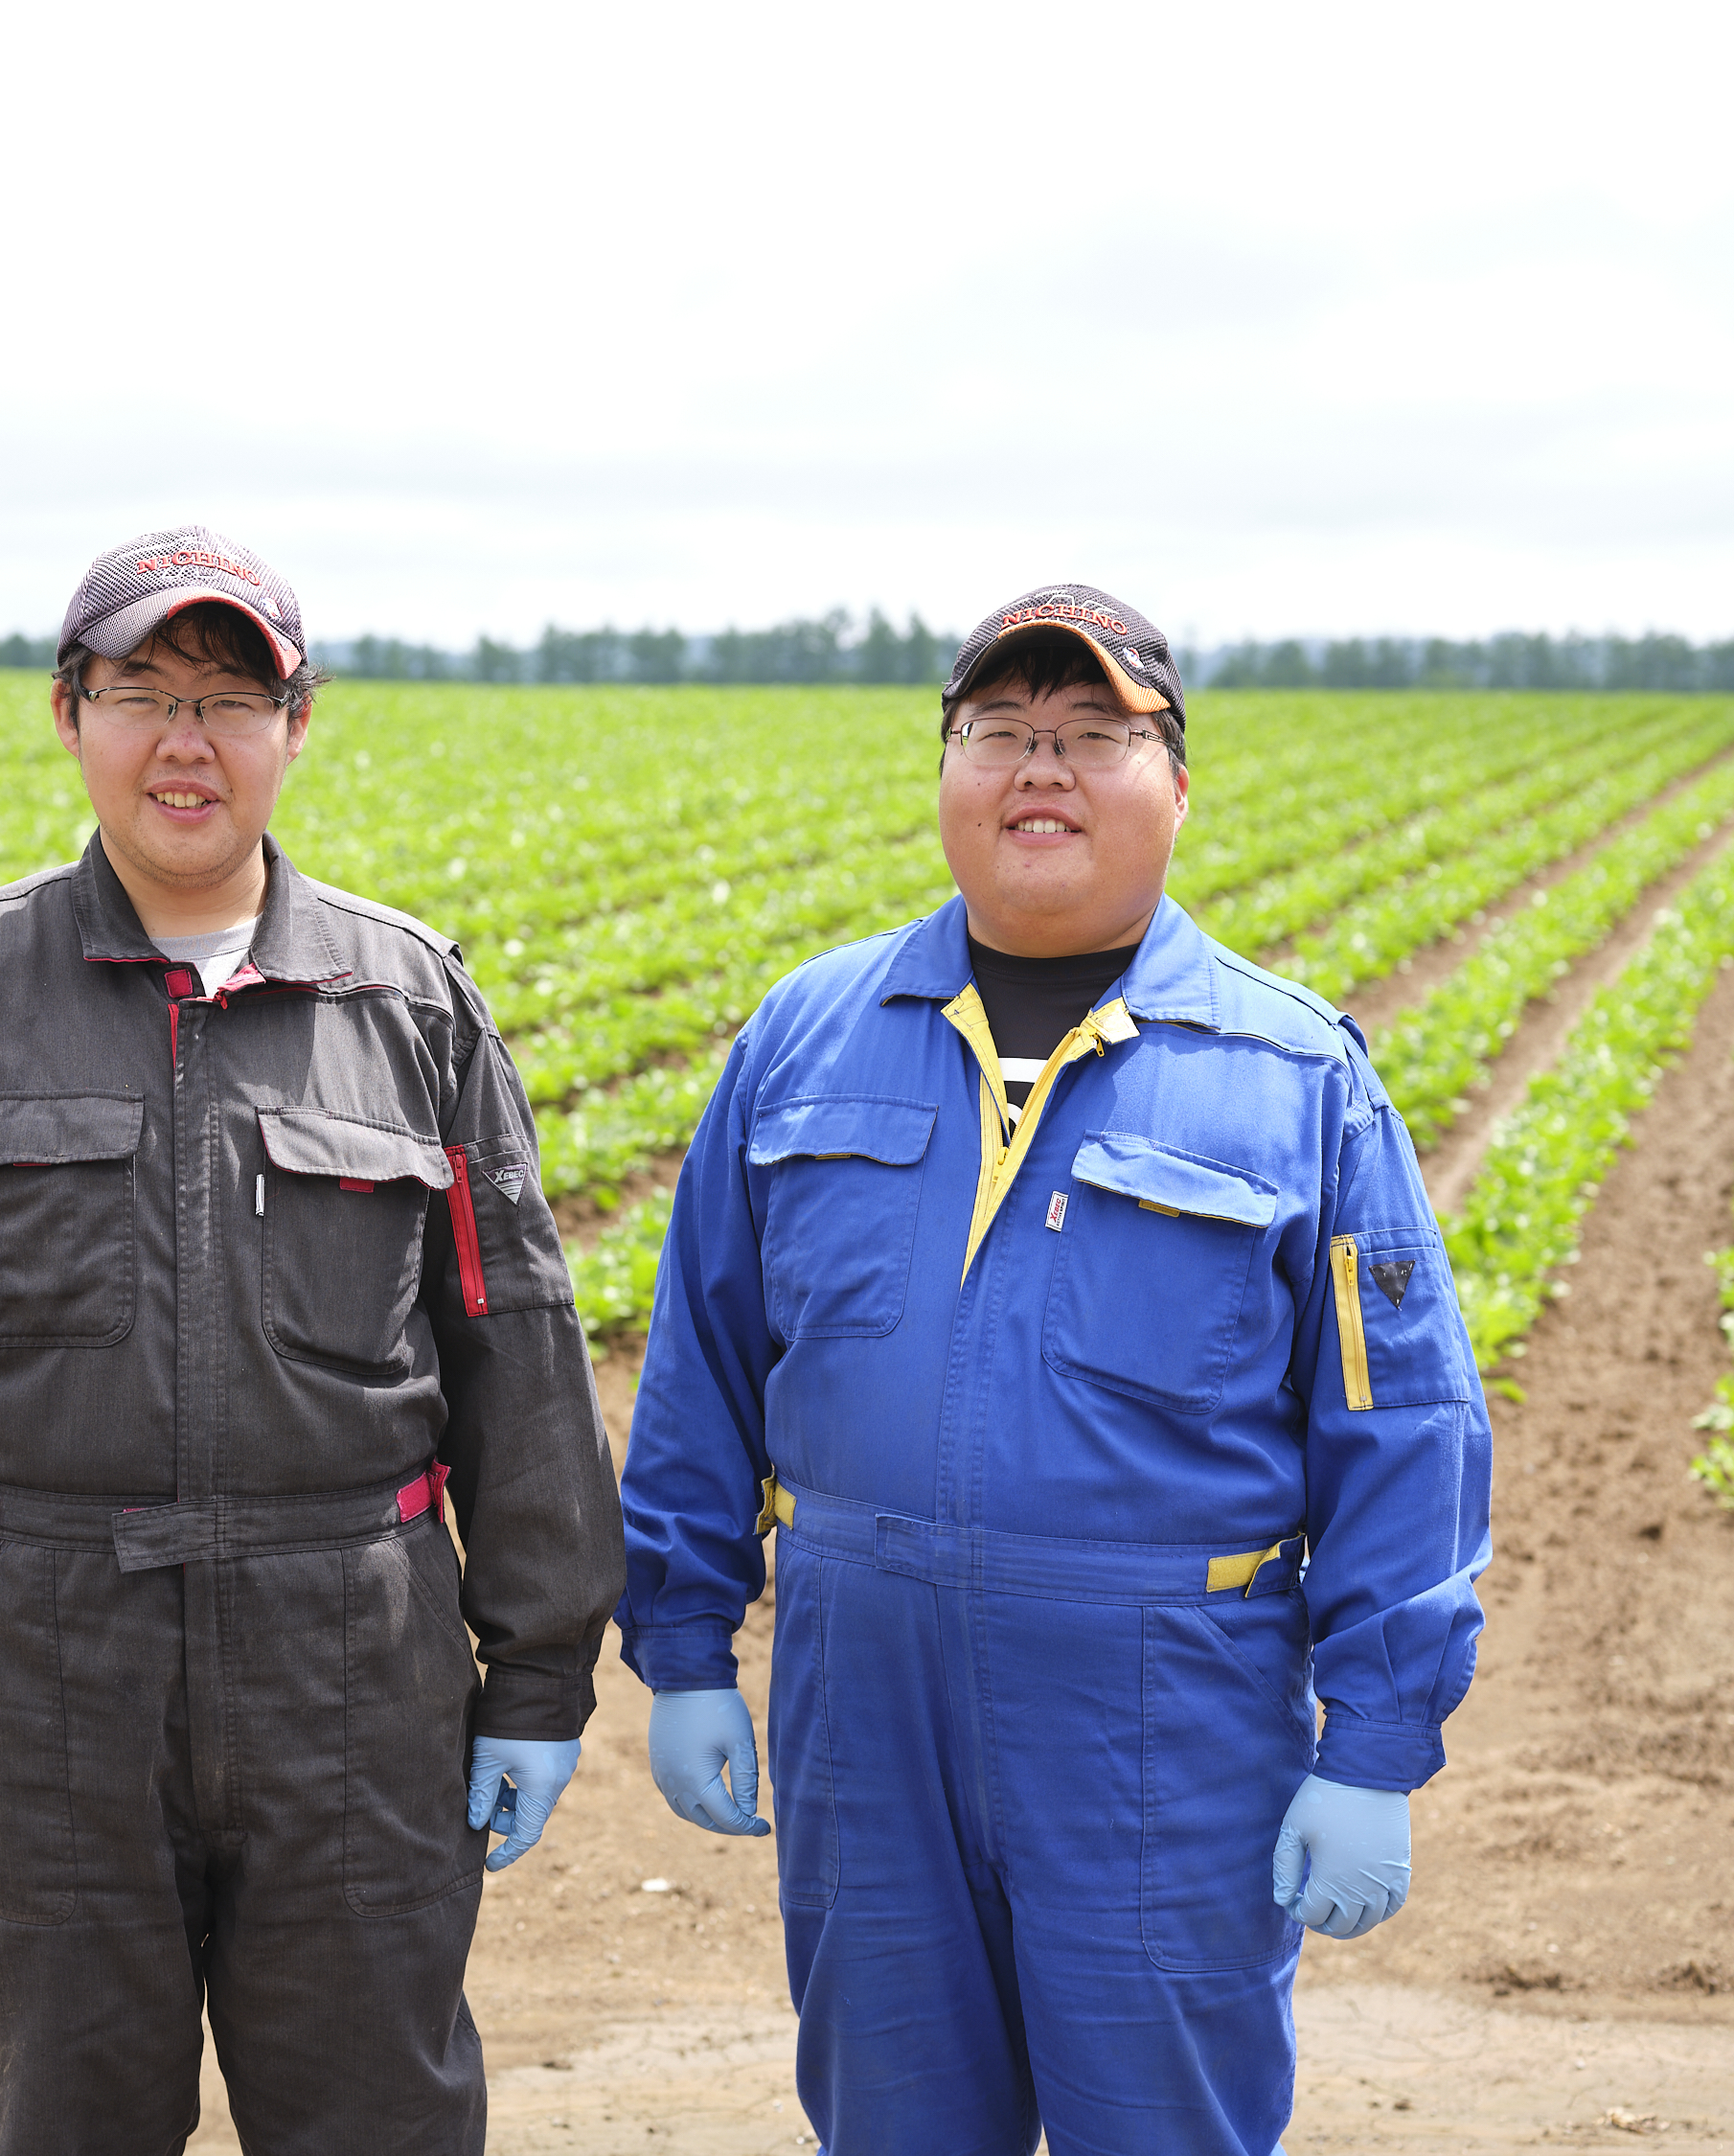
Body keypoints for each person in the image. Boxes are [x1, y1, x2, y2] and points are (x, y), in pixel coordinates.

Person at [0, 526, 624, 2155]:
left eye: (230, 696)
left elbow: (518, 1343)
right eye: (141, 690)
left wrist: (543, 1669)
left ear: (300, 723)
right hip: (52, 1667)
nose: (184, 740)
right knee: (60, 2120)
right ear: (69, 713)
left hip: (353, 1667)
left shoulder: (408, 1003)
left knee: (380, 2121)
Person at [614, 585, 1491, 2156]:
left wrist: (1374, 1744)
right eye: (1001, 732)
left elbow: (1403, 1433)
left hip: (1157, 1725)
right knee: (889, 2125)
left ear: (1176, 786)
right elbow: (701, 1365)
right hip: (860, 1706)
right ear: (945, 772)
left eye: (1095, 734)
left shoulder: (1298, 1085)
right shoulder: (803, 1041)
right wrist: (682, 1644)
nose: (1042, 767)